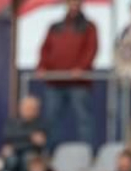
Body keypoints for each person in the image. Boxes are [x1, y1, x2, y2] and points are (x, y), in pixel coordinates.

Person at [37, 0, 99, 148]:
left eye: (76, 3)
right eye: (71, 3)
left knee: (83, 119)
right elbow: (45, 48)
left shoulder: (89, 27)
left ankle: (87, 152)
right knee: (52, 120)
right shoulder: (55, 26)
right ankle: (51, 153)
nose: (73, 6)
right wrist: (42, 66)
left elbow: (91, 49)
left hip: (79, 83)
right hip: (55, 81)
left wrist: (81, 68)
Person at [0, 95, 49, 171]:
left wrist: (18, 138)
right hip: (13, 151)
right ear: (20, 108)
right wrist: (30, 136)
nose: (29, 111)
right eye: (27, 108)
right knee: (11, 160)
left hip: (32, 153)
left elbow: (41, 140)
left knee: (27, 158)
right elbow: (8, 135)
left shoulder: (41, 123)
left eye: (32, 108)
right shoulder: (12, 122)